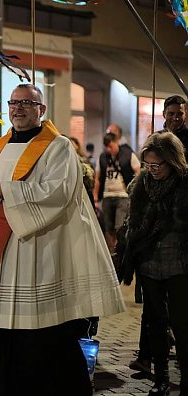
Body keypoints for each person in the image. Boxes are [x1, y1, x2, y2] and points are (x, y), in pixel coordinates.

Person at [0, 84, 124, 395]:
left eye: (25, 103)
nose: (17, 109)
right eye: (13, 103)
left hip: (32, 245)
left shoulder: (57, 147)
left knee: (34, 328)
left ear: (41, 110)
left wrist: (5, 190)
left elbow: (57, 193)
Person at [117, 132, 188, 396]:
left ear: (173, 161)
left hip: (179, 263)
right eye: (148, 164)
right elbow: (130, 224)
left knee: (182, 324)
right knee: (155, 323)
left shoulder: (184, 184)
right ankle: (161, 379)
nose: (152, 170)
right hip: (149, 263)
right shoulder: (141, 185)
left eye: (158, 165)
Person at [94, 132, 140, 252]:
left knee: (120, 226)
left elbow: (138, 171)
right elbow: (98, 177)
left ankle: (120, 251)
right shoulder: (103, 157)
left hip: (122, 194)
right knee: (108, 227)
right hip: (107, 195)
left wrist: (134, 191)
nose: (109, 150)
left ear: (116, 142)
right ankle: (112, 251)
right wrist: (95, 198)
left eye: (111, 146)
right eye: (107, 147)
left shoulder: (128, 154)